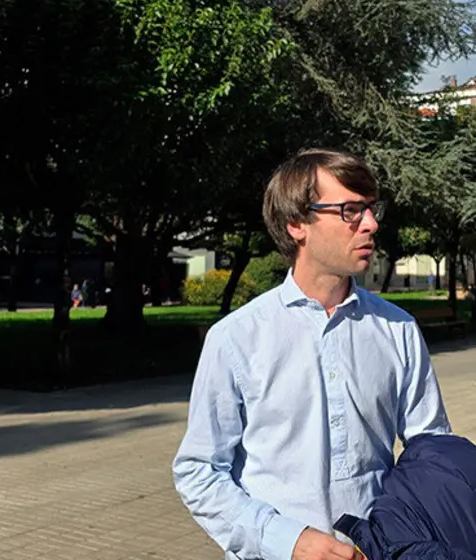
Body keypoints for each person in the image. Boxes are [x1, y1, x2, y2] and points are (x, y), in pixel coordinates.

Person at [173, 148, 452, 560]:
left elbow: (431, 454)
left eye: (371, 208)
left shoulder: (398, 330)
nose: (371, 224)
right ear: (296, 224)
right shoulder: (236, 338)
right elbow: (199, 471)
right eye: (350, 211)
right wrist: (286, 540)